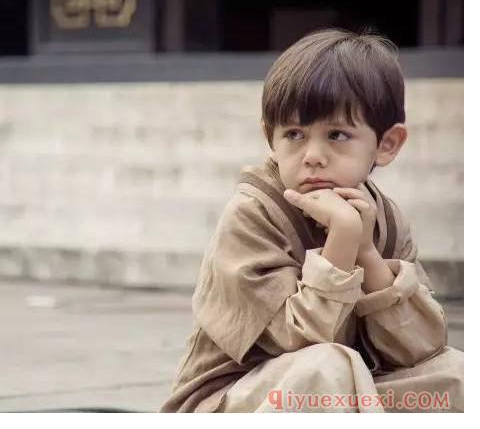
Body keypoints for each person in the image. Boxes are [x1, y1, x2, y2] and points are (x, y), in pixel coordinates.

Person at [160, 28, 464, 413]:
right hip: (236, 398)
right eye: (294, 134)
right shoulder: (253, 214)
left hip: (346, 392)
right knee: (327, 366)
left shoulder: (383, 218)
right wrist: (341, 242)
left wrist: (367, 253)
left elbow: (419, 348)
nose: (313, 155)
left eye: (337, 134)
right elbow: (299, 342)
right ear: (271, 138)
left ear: (386, 144)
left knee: (457, 373)